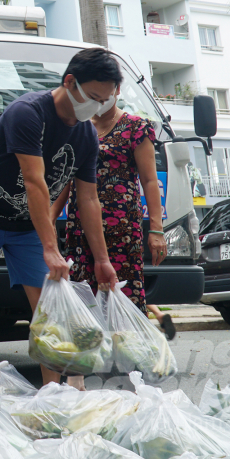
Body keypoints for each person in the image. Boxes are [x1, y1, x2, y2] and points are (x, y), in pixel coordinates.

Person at [0, 48, 122, 388]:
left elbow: (88, 198)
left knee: (48, 306)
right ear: (70, 82)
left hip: (27, 225)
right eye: (94, 97)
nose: (98, 107)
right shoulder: (28, 113)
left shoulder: (86, 133)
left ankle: (52, 390)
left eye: (105, 101)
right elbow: (34, 181)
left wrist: (102, 260)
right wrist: (50, 247)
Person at [53, 85, 176, 341]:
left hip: (122, 230)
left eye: (106, 93)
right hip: (82, 227)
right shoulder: (78, 127)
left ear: (118, 90)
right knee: (82, 292)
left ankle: (131, 359)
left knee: (125, 292)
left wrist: (156, 229)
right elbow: (66, 179)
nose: (100, 100)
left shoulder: (136, 127)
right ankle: (86, 361)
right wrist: (49, 219)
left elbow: (150, 181)